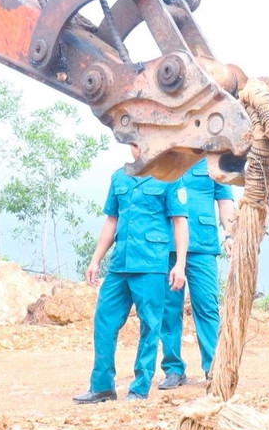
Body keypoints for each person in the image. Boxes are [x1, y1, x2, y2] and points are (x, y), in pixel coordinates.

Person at [74, 146, 189, 404]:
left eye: (143, 142)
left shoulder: (170, 177)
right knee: (104, 321)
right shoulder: (119, 177)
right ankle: (102, 386)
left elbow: (180, 222)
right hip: (119, 264)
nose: (139, 148)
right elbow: (111, 221)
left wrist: (179, 264)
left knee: (150, 325)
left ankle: (139, 388)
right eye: (134, 143)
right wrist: (95, 260)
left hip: (151, 264)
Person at [157, 158, 236, 389]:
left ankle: (213, 368)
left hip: (203, 245)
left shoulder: (214, 161)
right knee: (169, 310)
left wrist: (230, 234)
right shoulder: (168, 156)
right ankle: (173, 369)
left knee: (207, 307)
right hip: (169, 246)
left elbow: (225, 201)